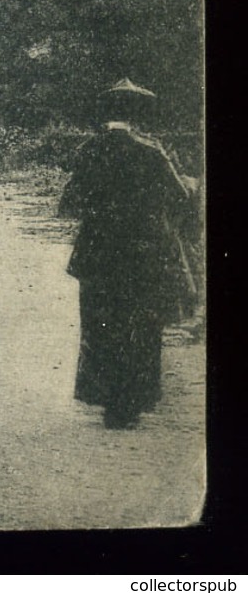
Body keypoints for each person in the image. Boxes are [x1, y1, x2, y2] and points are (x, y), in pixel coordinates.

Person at [60, 79, 201, 429]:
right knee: (141, 325)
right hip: (143, 253)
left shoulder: (90, 150)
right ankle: (133, 402)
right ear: (136, 116)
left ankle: (107, 399)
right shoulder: (151, 152)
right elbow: (181, 198)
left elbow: (70, 203)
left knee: (102, 323)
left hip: (99, 253)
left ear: (106, 114)